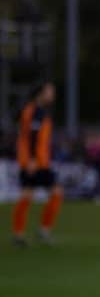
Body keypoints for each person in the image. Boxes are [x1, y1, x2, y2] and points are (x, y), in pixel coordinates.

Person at [11, 82, 62, 247]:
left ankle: (22, 234)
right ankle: (40, 231)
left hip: (36, 161)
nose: (52, 95)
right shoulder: (36, 112)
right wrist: (32, 159)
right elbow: (32, 136)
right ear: (40, 94)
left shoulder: (33, 110)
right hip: (35, 162)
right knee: (54, 192)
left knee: (29, 194)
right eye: (50, 91)